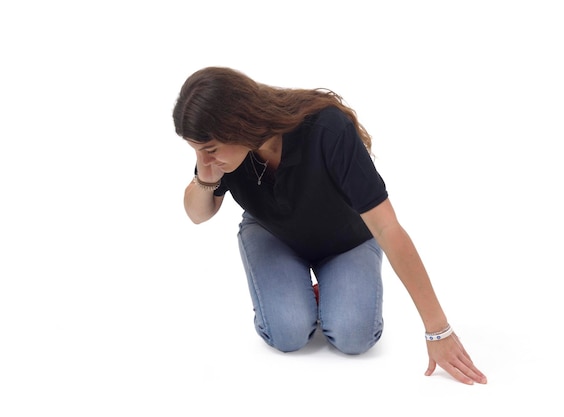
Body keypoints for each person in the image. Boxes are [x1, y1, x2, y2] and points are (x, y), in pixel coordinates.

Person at [172, 66, 487, 385]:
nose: (205, 159)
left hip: (347, 240)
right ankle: (304, 294)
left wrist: (438, 329)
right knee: (288, 335)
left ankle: (324, 289)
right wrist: (203, 180)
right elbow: (198, 215)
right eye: (196, 151)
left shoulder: (326, 128)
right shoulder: (221, 159)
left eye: (208, 150)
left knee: (355, 338)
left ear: (239, 125)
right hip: (273, 234)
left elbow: (387, 228)